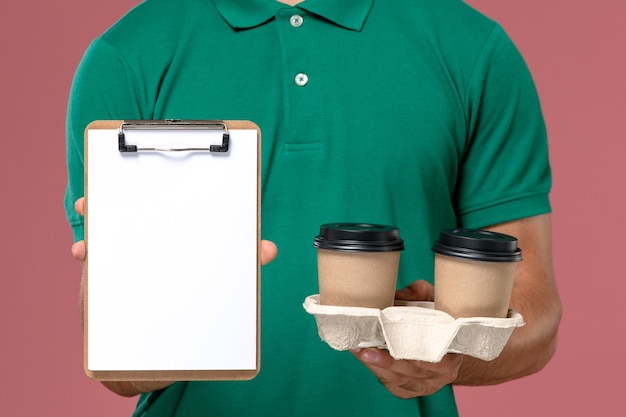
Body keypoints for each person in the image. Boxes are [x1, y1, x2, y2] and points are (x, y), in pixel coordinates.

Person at [64, 0, 562, 415]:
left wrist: (450, 356)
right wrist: (141, 322)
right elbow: (120, 373)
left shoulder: (472, 48)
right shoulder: (126, 54)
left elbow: (536, 316)